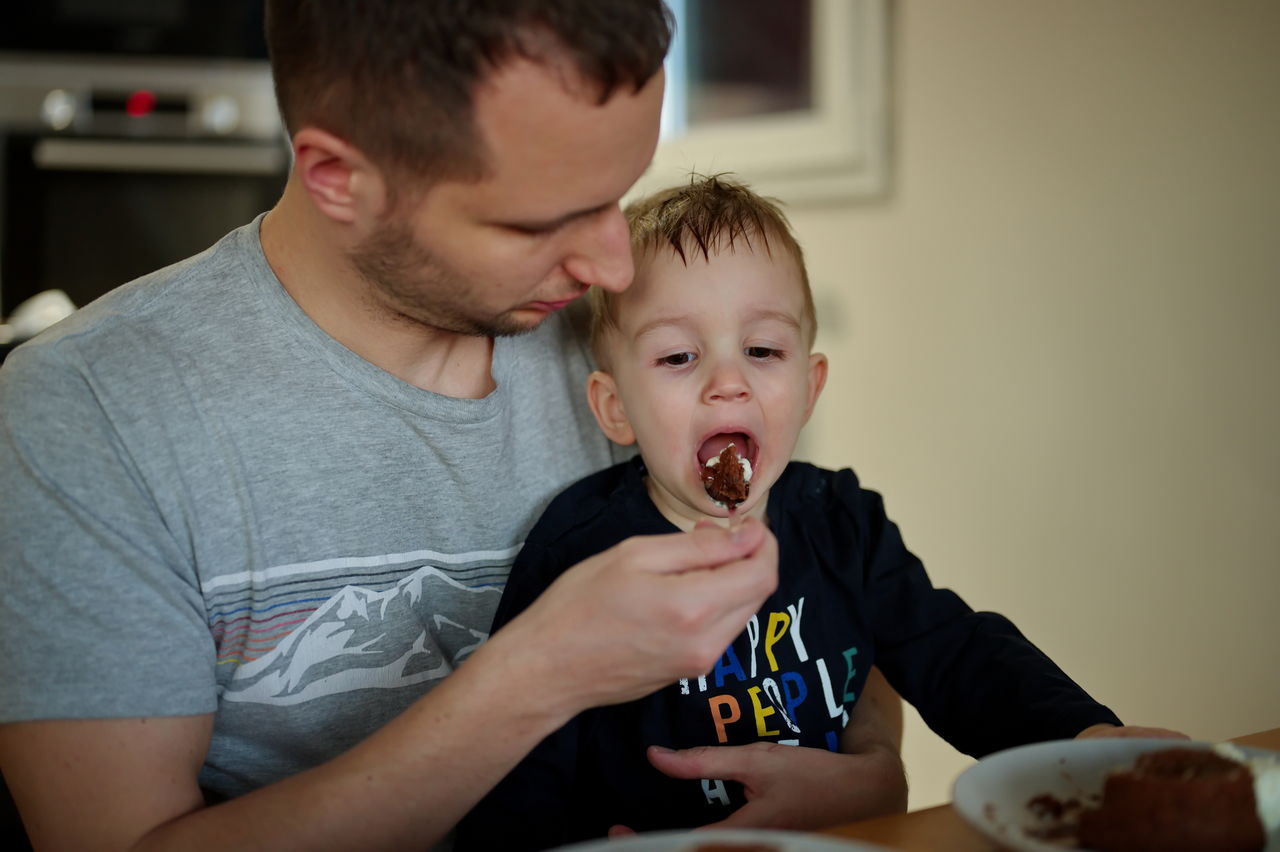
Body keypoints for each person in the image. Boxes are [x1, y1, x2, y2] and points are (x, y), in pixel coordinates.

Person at [0, 4, 923, 851]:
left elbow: (836, 586)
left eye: (620, 190)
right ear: (340, 180)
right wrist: (537, 676)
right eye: (543, 217)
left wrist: (866, 768)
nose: (612, 259)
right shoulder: (90, 410)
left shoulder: (651, 346)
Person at [455, 175, 1188, 850]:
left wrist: (1081, 736)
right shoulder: (580, 550)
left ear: (810, 387)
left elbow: (957, 652)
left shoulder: (840, 520)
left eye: (763, 349)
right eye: (679, 357)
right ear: (615, 409)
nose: (728, 382)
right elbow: (515, 755)